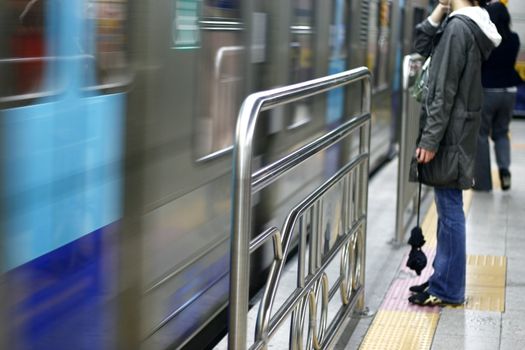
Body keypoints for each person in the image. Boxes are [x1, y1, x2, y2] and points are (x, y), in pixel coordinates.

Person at [408, 0, 501, 306]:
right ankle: (442, 280)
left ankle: (448, 288)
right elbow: (421, 44)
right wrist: (440, 11)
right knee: (448, 207)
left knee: (449, 210)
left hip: (449, 132)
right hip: (458, 128)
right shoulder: (465, 24)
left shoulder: (459, 29)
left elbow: (443, 91)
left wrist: (430, 140)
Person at [474, 2, 522, 191]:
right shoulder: (514, 39)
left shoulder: (488, 39)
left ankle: (483, 182)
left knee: (482, 135)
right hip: (509, 92)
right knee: (502, 133)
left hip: (488, 91)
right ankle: (504, 171)